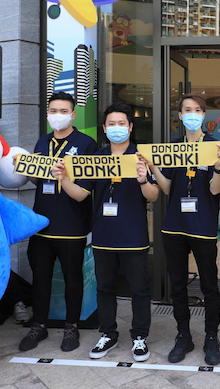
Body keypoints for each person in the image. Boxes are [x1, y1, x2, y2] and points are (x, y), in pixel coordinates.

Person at [53, 102, 160, 362]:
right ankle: (108, 333)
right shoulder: (96, 159)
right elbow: (81, 195)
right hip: (103, 236)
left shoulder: (141, 157)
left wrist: (144, 179)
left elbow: (154, 196)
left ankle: (140, 336)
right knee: (105, 288)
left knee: (139, 289)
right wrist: (64, 179)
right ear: (104, 128)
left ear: (130, 127)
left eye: (121, 123)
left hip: (134, 235)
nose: (116, 128)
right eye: (111, 124)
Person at [143, 94, 220, 365]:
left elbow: (215, 190)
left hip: (203, 227)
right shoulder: (172, 148)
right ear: (179, 116)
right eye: (187, 110)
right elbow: (166, 189)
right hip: (174, 227)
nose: (192, 114)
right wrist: (154, 166)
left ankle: (211, 337)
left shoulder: (215, 146)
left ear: (204, 115)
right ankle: (183, 336)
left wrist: (218, 168)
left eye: (198, 110)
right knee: (177, 286)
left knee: (209, 285)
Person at [19, 91, 96, 353]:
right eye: (53, 110)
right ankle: (38, 325)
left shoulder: (86, 144)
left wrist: (64, 178)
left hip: (72, 226)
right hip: (41, 225)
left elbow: (84, 192)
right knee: (40, 278)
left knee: (73, 279)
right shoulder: (42, 142)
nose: (58, 115)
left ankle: (71, 327)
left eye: (63, 111)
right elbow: (38, 181)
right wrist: (25, 172)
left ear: (73, 115)